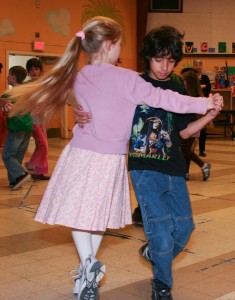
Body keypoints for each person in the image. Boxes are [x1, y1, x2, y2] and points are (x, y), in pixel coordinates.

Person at [8, 17, 222, 300]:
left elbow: (69, 94)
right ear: (109, 45)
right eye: (120, 44)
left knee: (84, 217)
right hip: (106, 160)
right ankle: (88, 268)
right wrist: (203, 102)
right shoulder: (126, 79)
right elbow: (165, 99)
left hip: (80, 155)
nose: (122, 51)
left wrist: (77, 107)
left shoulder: (79, 73)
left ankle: (88, 268)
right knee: (94, 219)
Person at [0, 66, 32, 190]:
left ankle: (20, 174)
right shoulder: (26, 91)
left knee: (7, 155)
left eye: (9, 74)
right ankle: (15, 181)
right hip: (28, 127)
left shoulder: (10, 93)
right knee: (17, 156)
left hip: (16, 127)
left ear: (13, 76)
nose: (7, 76)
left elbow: (4, 106)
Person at [180, 68, 211, 181]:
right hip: (185, 127)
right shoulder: (185, 93)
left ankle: (203, 165)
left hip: (192, 127)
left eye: (183, 79)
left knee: (185, 150)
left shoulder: (196, 97)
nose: (182, 81)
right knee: (186, 149)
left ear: (189, 81)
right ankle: (186, 172)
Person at [25, 58, 50, 180]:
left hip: (42, 118)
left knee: (45, 145)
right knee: (42, 145)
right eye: (31, 69)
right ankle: (31, 165)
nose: (34, 72)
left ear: (40, 70)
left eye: (36, 69)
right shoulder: (26, 85)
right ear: (28, 71)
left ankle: (39, 171)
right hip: (31, 119)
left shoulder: (44, 83)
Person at [193, 59, 212, 157]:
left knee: (203, 129)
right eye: (196, 65)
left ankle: (202, 150)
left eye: (199, 65)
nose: (198, 67)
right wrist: (201, 86)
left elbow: (208, 88)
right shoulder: (191, 77)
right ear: (193, 66)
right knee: (193, 128)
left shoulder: (205, 77)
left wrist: (200, 86)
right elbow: (190, 88)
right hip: (193, 106)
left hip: (203, 105)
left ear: (202, 66)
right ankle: (191, 149)